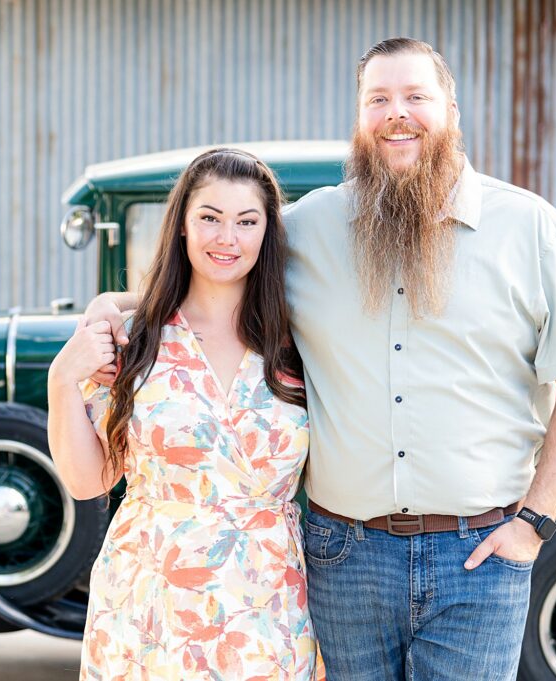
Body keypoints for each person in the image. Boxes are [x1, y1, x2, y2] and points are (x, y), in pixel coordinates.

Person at [85, 39, 556, 681]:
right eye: (379, 99)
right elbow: (212, 273)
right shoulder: (307, 230)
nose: (398, 113)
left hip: (480, 553)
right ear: (360, 116)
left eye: (416, 96)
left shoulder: (532, 230)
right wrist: (110, 312)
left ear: (450, 107)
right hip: (346, 557)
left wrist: (534, 523)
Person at [48, 148, 323, 680]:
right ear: (182, 226)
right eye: (210, 218)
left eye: (247, 221)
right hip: (150, 602)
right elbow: (89, 481)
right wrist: (63, 379)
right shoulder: (137, 339)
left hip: (266, 603)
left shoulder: (298, 344)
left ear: (267, 233)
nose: (227, 238)